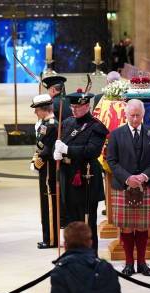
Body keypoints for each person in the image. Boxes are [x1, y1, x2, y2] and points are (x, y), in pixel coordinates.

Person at [106, 99, 150, 277]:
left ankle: (142, 263)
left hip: (147, 185)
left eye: (138, 115)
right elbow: (111, 161)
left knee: (143, 227)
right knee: (127, 227)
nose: (135, 119)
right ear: (126, 114)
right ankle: (129, 263)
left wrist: (144, 176)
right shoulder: (116, 134)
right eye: (132, 115)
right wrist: (128, 178)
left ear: (143, 115)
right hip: (124, 186)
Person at [53, 89, 109, 251]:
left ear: (86, 106)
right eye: (72, 107)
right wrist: (55, 153)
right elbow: (59, 144)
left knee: (87, 222)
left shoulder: (96, 127)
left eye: (77, 107)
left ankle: (91, 255)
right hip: (67, 178)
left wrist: (67, 149)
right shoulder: (68, 123)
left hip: (86, 179)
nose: (74, 110)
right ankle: (72, 253)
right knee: (70, 221)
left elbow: (92, 151)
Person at [30, 94, 59, 249]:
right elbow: (40, 146)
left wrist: (37, 163)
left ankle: (51, 239)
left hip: (49, 170)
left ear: (44, 110)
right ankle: (47, 237)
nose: (35, 113)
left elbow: (46, 151)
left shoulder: (51, 125)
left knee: (49, 204)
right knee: (45, 202)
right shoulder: (45, 123)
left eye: (37, 110)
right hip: (45, 168)